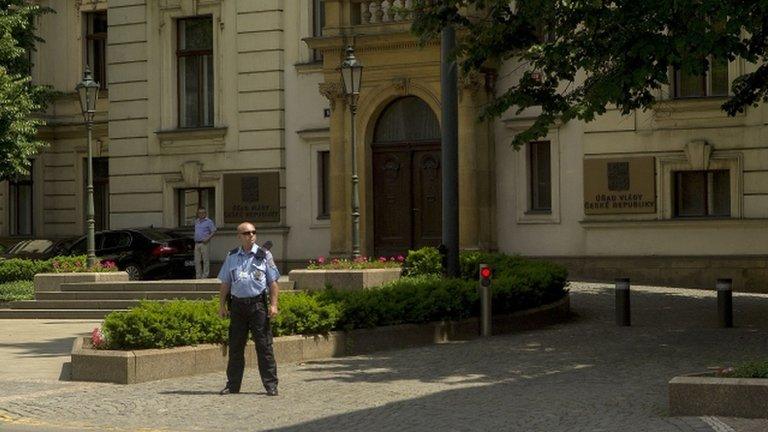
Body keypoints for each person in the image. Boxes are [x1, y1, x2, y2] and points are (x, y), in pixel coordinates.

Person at [218, 222, 280, 396]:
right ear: (239, 236)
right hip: (237, 306)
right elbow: (225, 283)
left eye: (253, 232)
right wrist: (221, 305)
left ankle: (271, 385)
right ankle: (233, 385)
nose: (251, 235)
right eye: (246, 233)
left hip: (258, 305)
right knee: (236, 347)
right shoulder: (231, 256)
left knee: (264, 346)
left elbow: (273, 282)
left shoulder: (264, 255)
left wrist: (274, 305)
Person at [193, 207, 216, 279]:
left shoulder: (209, 221)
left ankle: (205, 276)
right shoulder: (196, 221)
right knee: (197, 261)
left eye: (203, 213)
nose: (201, 214)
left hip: (204, 243)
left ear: (205, 213)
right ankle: (198, 276)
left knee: (205, 260)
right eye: (200, 213)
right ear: (198, 214)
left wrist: (208, 238)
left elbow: (213, 231)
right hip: (197, 243)